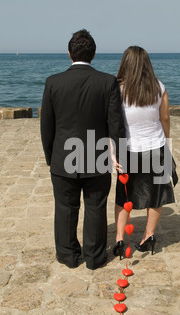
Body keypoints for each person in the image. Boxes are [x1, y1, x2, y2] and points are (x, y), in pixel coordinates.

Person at [41, 29, 125, 270]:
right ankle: (95, 256)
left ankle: (67, 255)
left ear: (69, 53)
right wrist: (119, 155)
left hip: (63, 157)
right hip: (96, 155)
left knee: (65, 208)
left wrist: (51, 157)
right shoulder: (107, 82)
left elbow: (46, 126)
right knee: (96, 207)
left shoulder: (53, 82)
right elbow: (115, 124)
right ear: (94, 54)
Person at [114, 46, 175, 258]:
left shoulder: (117, 89)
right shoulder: (159, 87)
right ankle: (149, 235)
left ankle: (120, 239)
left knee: (124, 196)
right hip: (155, 147)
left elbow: (113, 121)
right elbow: (165, 118)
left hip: (128, 150)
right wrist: (167, 142)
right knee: (155, 195)